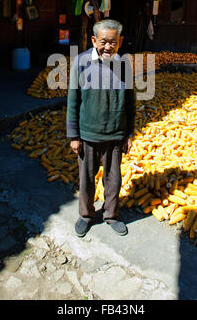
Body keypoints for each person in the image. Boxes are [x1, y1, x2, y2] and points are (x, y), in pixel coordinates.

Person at [66, 19, 136, 237]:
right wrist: (73, 135)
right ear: (94, 40)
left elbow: (131, 103)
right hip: (87, 134)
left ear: (120, 42)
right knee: (86, 180)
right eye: (103, 41)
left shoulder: (124, 65)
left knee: (113, 180)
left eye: (113, 42)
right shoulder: (81, 62)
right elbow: (73, 99)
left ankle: (111, 215)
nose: (108, 46)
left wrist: (130, 133)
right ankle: (86, 216)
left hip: (115, 134)